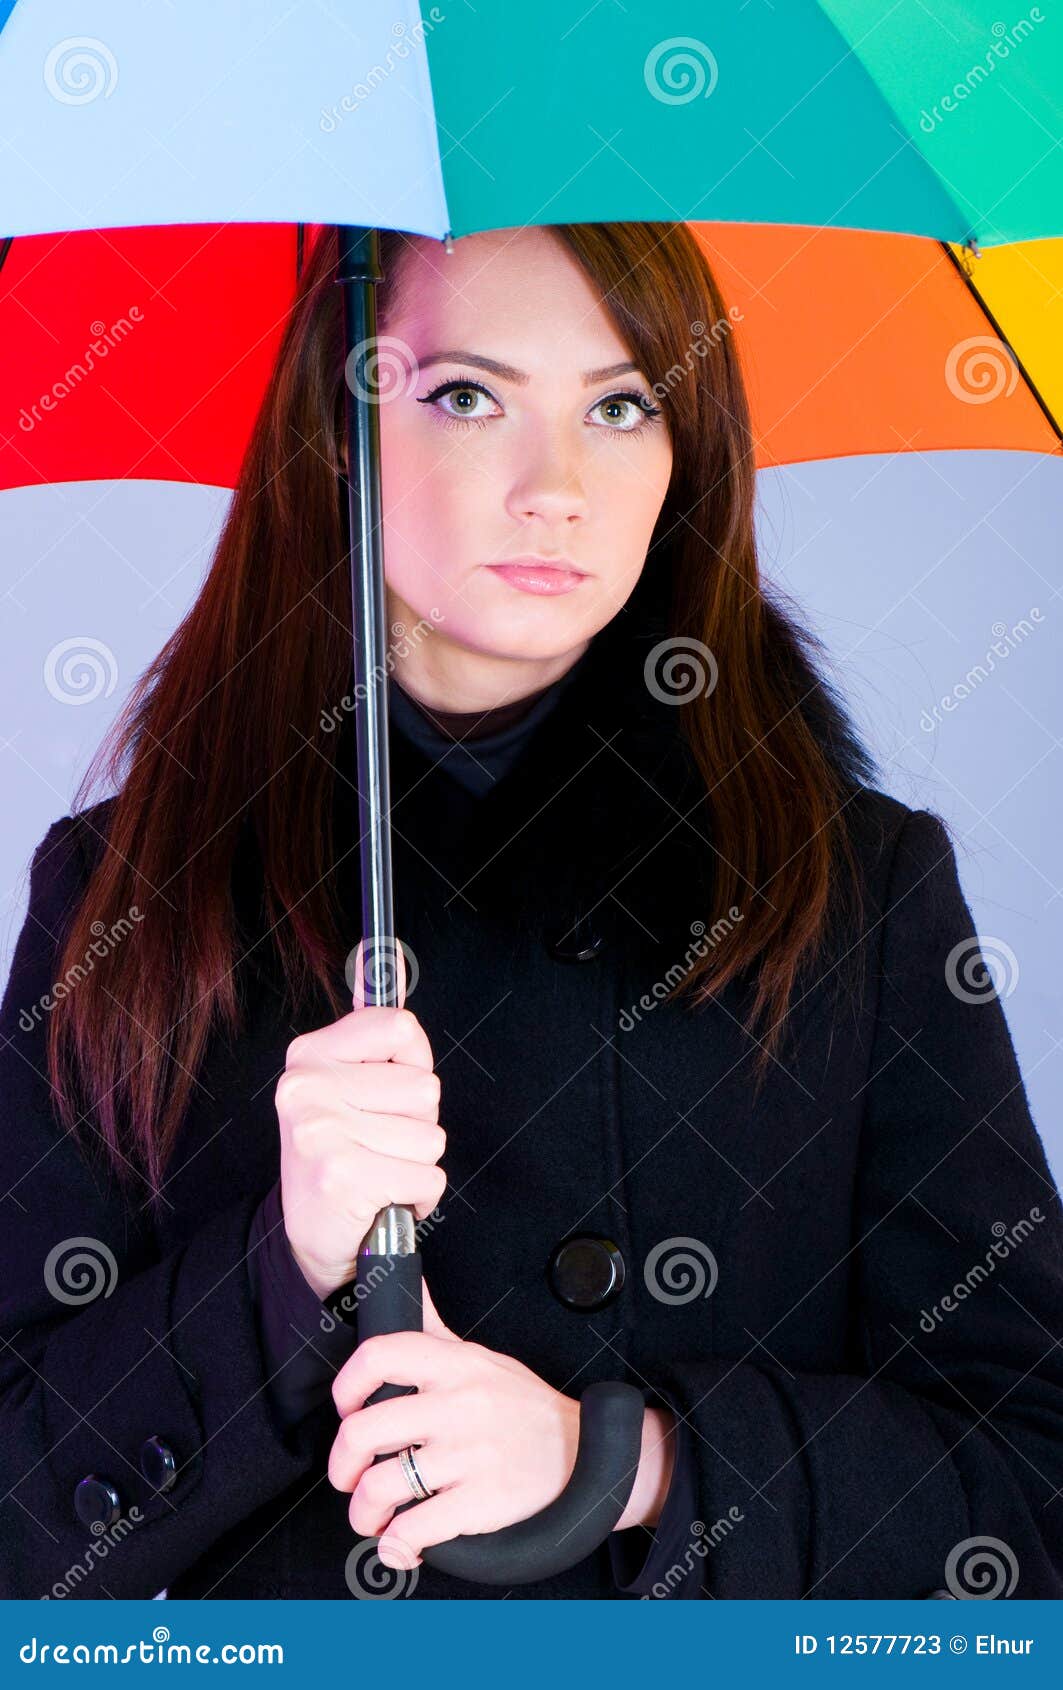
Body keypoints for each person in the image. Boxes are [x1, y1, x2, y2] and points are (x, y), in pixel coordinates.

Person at [2, 220, 1061, 1602]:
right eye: (464, 394)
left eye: (621, 405)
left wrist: (628, 1464)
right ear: (342, 433)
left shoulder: (853, 887)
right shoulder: (133, 898)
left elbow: (1030, 1491)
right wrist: (281, 1269)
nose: (555, 484)